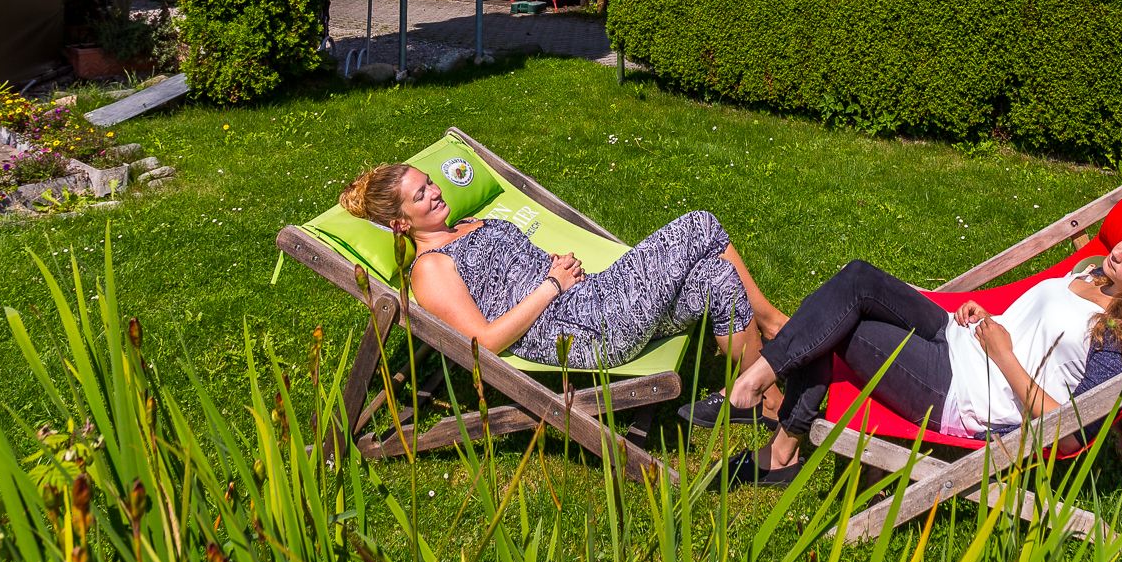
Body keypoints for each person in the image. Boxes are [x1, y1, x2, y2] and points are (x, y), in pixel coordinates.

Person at [686, 222, 1122, 485]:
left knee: (841, 329)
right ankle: (763, 386)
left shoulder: (1118, 346)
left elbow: (1073, 432)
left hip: (962, 393)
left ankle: (777, 434)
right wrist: (983, 318)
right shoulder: (1096, 273)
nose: (1118, 252)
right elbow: (1029, 325)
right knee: (856, 280)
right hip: (960, 337)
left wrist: (1004, 354)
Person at [338, 165, 790, 400]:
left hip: (589, 298)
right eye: (421, 195)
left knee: (715, 276)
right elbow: (483, 341)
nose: (436, 192)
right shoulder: (429, 268)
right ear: (400, 223)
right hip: (583, 330)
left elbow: (511, 271)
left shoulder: (467, 223)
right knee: (699, 224)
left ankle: (767, 400)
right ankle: (777, 328)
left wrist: (548, 265)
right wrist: (550, 285)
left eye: (431, 183)